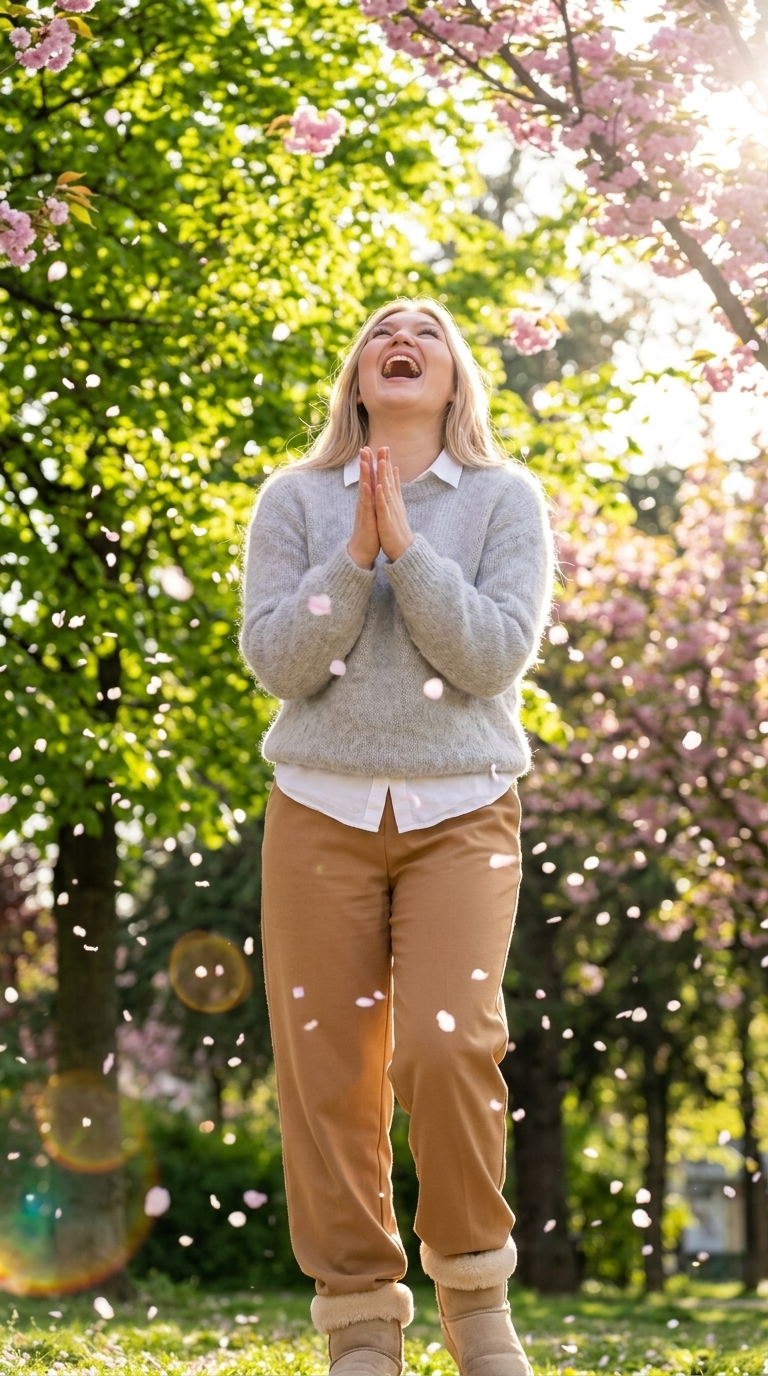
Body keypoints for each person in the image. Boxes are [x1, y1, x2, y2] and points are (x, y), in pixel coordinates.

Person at [240, 297, 555, 1376]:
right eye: (381, 329)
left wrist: (406, 551)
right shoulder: (292, 498)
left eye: (423, 329)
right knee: (326, 1071)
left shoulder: (506, 499)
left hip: (461, 808)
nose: (400, 337)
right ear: (360, 374)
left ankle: (476, 1294)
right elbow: (278, 662)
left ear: (456, 375)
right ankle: (362, 1319)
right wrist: (349, 558)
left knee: (448, 1041)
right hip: (317, 809)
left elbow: (491, 658)